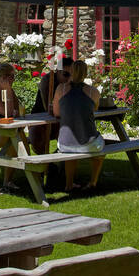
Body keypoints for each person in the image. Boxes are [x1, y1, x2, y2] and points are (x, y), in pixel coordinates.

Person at [51, 60, 105, 191]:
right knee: (100, 151)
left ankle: (69, 184)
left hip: (64, 144)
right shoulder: (94, 92)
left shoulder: (61, 89)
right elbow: (94, 110)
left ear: (71, 72)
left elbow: (56, 113)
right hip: (89, 144)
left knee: (70, 146)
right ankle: (93, 182)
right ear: (86, 73)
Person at [30, 55, 74, 155]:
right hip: (41, 120)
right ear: (57, 71)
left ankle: (62, 162)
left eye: (72, 75)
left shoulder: (71, 83)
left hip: (60, 120)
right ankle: (46, 164)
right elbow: (50, 108)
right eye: (66, 74)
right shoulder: (48, 81)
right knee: (35, 134)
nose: (69, 79)